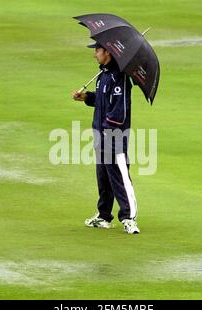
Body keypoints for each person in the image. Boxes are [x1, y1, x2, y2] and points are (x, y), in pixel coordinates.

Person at [72, 42, 139, 234]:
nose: (95, 55)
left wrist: (109, 131)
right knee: (103, 177)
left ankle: (129, 218)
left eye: (97, 51)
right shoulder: (103, 76)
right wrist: (86, 97)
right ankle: (103, 216)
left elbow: (120, 111)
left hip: (114, 136)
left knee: (120, 177)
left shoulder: (120, 77)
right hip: (101, 135)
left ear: (108, 52)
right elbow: (102, 101)